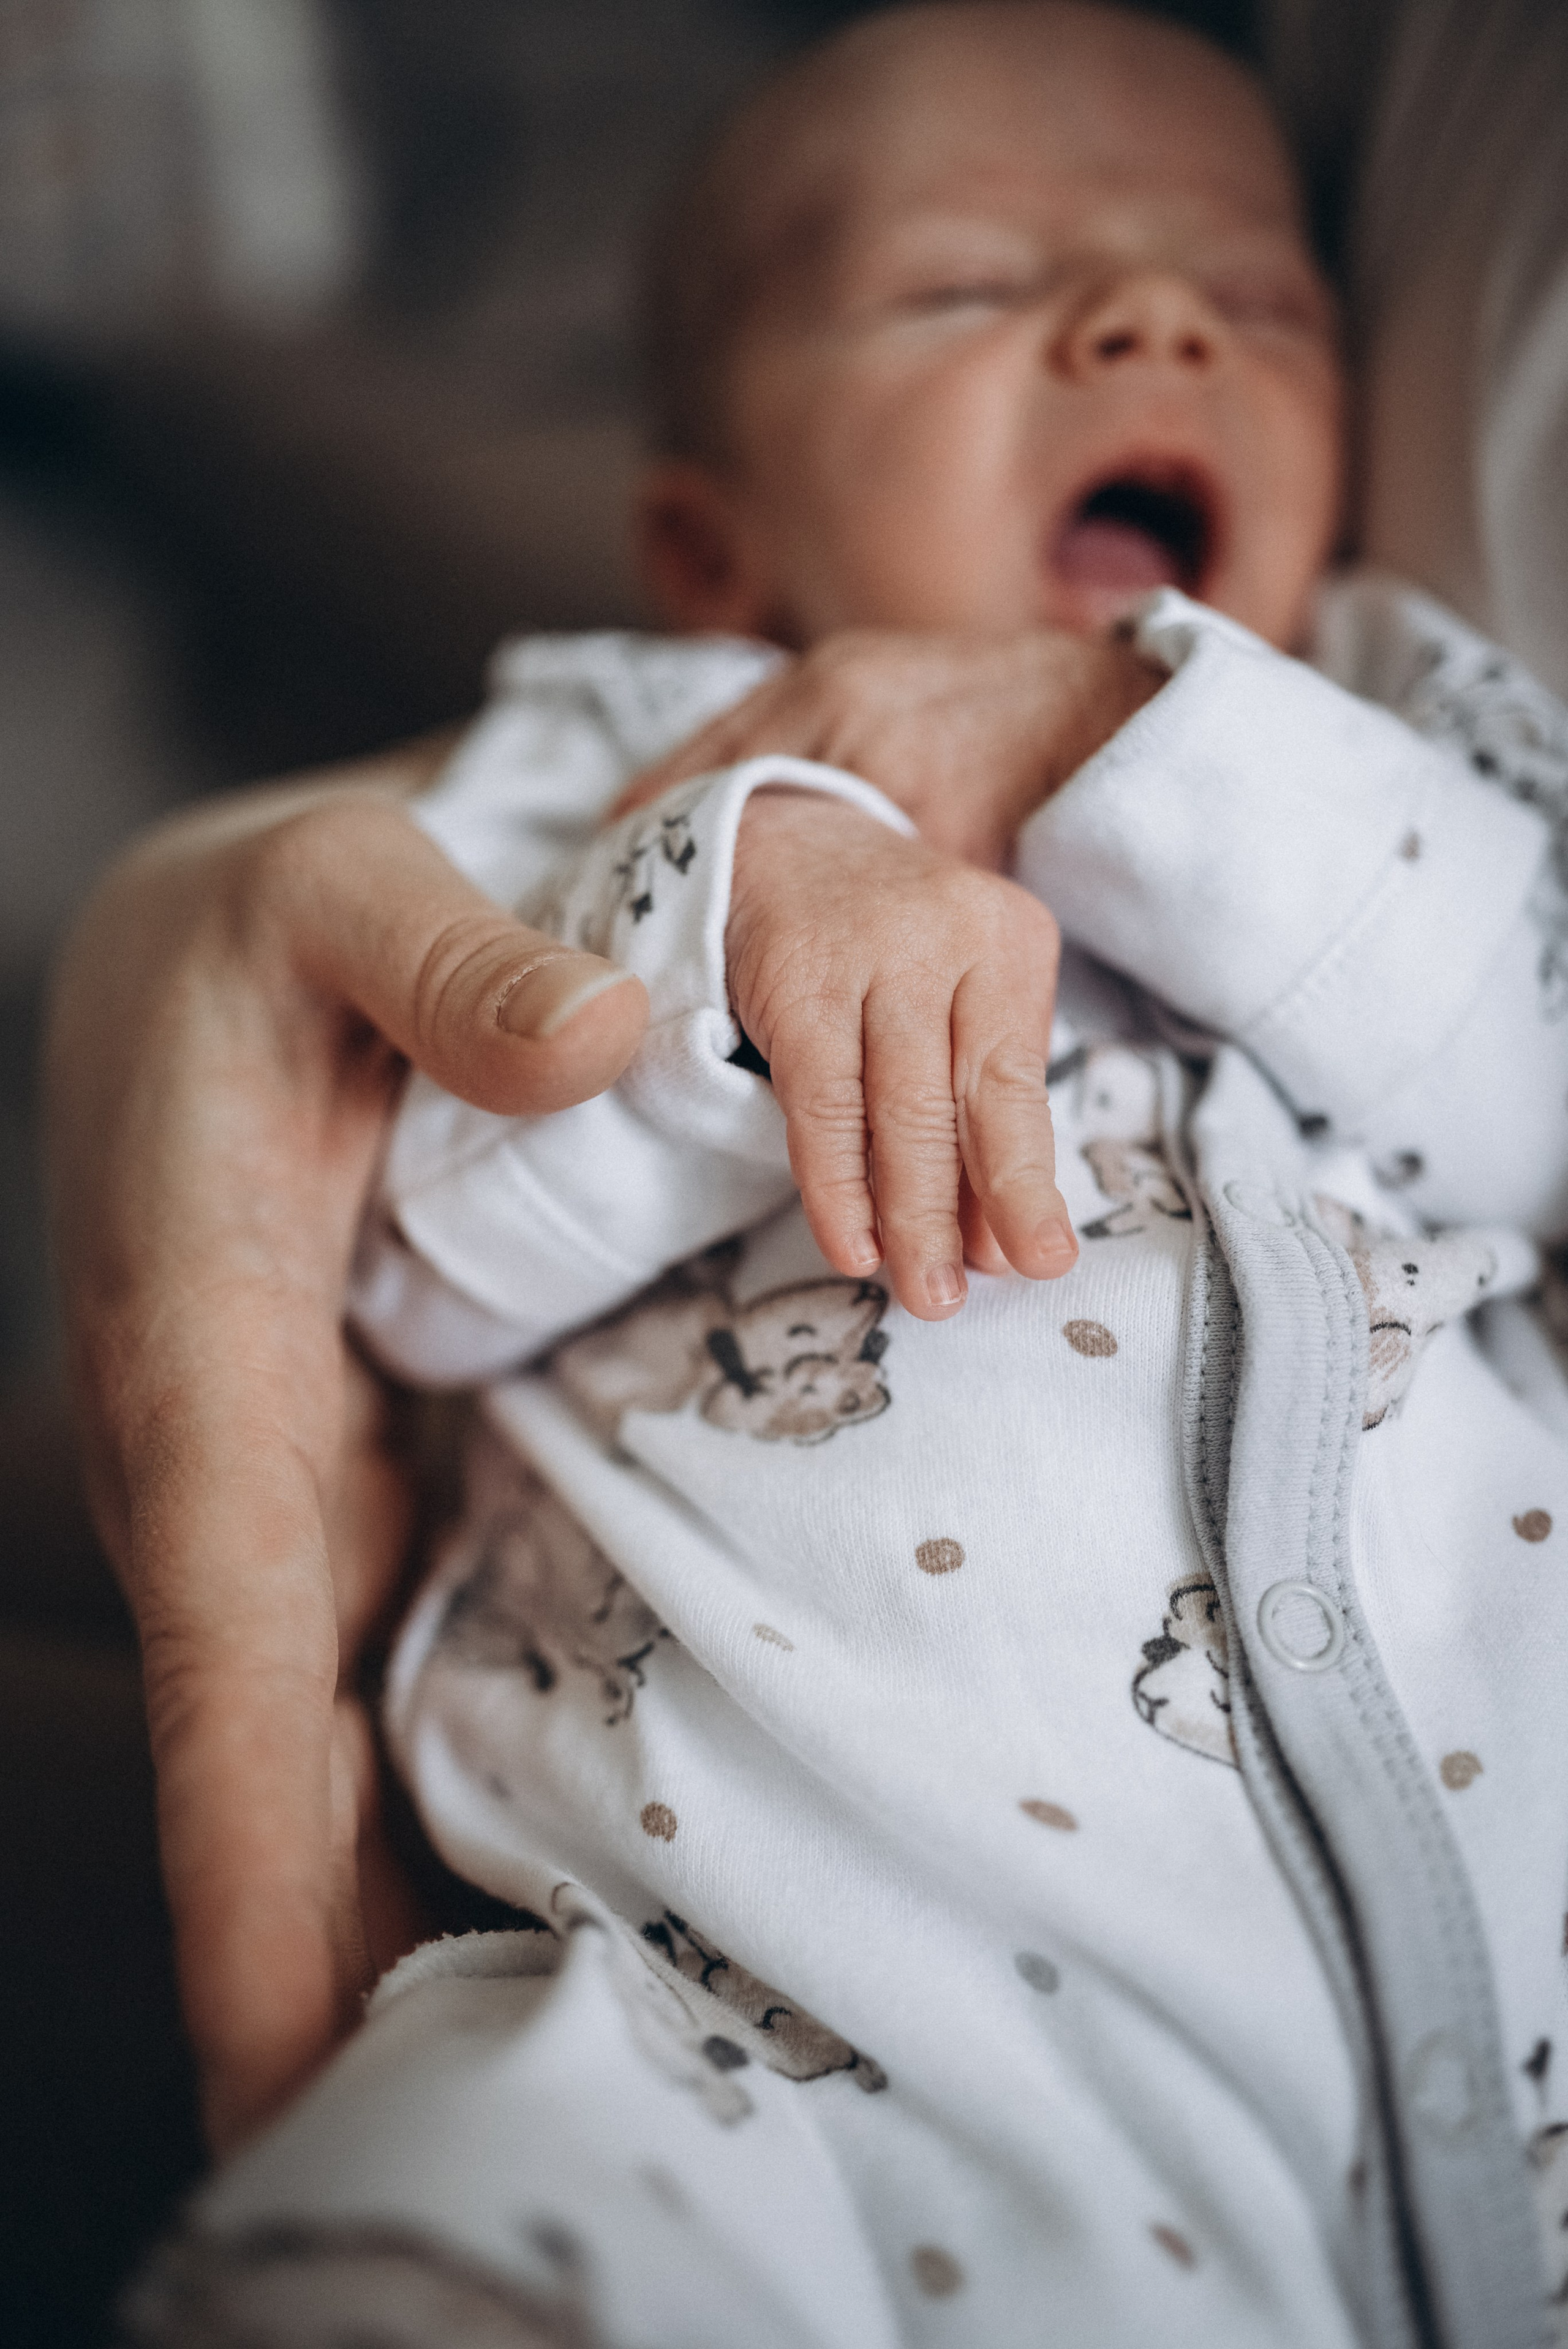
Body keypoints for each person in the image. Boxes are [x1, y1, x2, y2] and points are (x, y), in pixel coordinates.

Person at [115, 8, 1568, 2346]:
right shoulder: (607, 761)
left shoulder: (1395, 735)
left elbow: (1539, 1086)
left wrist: (1150, 731)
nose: (1148, 319)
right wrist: (741, 901)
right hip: (762, 2010)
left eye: (1252, 295)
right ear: (717, 545)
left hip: (1519, 1999)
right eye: (971, 283)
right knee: (466, 2220)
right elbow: (417, 1254)